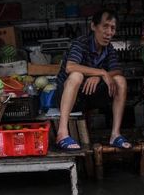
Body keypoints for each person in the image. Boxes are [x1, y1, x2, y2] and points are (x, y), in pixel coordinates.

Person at [55, 9, 130, 150]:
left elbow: (118, 70)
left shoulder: (109, 49)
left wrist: (99, 76)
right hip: (69, 98)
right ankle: (62, 133)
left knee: (120, 80)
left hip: (89, 97)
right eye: (105, 26)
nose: (109, 32)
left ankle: (115, 135)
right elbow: (70, 67)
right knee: (77, 75)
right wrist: (101, 72)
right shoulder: (81, 43)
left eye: (112, 28)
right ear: (93, 26)